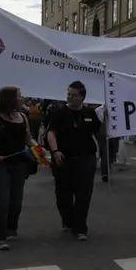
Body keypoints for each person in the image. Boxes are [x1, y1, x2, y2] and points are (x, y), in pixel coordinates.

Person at [0, 86, 39, 250]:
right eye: (19, 96)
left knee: (16, 200)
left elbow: (28, 139)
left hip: (20, 163)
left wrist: (39, 149)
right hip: (0, 164)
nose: (22, 99)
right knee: (3, 199)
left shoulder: (22, 117)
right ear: (10, 99)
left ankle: (11, 228)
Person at [46, 80, 103, 241]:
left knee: (84, 194)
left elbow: (99, 131)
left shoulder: (90, 114)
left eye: (74, 95)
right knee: (63, 195)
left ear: (82, 97)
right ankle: (67, 218)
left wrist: (109, 121)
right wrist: (55, 150)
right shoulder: (59, 112)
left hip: (86, 158)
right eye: (69, 94)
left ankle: (80, 228)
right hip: (64, 158)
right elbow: (51, 133)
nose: (70, 97)